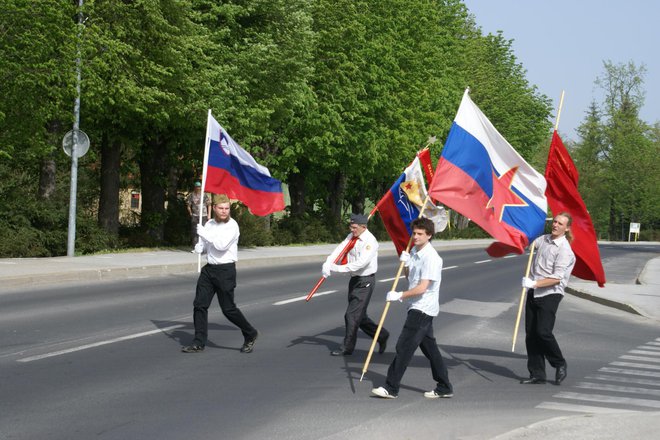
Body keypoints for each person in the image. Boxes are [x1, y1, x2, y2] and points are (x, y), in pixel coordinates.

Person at [371, 217, 453, 399]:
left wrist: (399, 295)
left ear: (429, 235)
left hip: (422, 308)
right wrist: (406, 264)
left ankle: (391, 387)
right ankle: (445, 386)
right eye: (414, 233)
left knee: (404, 346)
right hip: (416, 306)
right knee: (431, 350)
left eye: (420, 234)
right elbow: (411, 279)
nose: (415, 236)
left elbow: (422, 287)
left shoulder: (432, 258)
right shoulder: (415, 252)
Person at [181, 194, 259, 354]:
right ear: (214, 208)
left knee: (228, 309)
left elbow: (221, 246)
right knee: (199, 305)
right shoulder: (209, 224)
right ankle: (198, 342)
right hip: (209, 270)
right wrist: (199, 248)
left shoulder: (232, 226)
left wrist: (205, 234)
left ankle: (250, 333)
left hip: (225, 271)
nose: (224, 211)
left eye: (227, 208)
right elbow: (206, 246)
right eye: (221, 208)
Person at [520, 212, 575, 385]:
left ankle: (559, 363)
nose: (555, 225)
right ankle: (537, 373)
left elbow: (557, 278)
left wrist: (534, 283)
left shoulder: (564, 250)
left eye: (560, 223)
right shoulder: (543, 239)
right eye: (554, 222)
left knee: (543, 332)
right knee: (531, 334)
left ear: (566, 228)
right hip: (533, 291)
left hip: (551, 293)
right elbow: (526, 243)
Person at [322, 213, 389, 357]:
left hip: (365, 281)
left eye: (354, 227)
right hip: (354, 280)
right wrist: (328, 263)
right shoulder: (352, 237)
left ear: (363, 227)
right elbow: (340, 249)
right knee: (360, 316)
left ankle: (347, 347)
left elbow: (361, 264)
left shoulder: (371, 241)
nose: (351, 230)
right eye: (351, 227)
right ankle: (381, 335)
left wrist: (337, 268)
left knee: (351, 315)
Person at [186, 181, 211, 249]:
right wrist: (190, 213)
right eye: (197, 187)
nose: (198, 188)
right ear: (195, 187)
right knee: (194, 231)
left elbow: (209, 205)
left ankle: (204, 246)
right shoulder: (191, 195)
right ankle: (195, 247)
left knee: (203, 231)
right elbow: (188, 205)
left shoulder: (204, 195)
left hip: (203, 215)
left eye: (199, 187)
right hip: (195, 215)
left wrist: (209, 215)